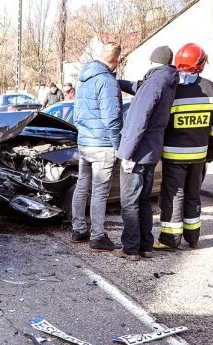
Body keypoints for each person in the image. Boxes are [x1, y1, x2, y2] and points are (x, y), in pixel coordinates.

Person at [155, 43, 213, 250]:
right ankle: (193, 237)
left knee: (173, 195)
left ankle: (169, 238)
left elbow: (161, 122)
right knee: (193, 195)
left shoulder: (172, 88)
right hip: (199, 155)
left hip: (173, 155)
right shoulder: (212, 89)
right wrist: (210, 148)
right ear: (201, 64)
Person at [113, 46, 178, 261]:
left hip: (138, 152)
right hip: (151, 152)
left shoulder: (153, 83)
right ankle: (145, 246)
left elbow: (137, 122)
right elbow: (138, 87)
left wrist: (127, 154)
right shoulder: (166, 81)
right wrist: (118, 82)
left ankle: (130, 249)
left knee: (129, 202)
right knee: (142, 202)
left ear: (152, 61)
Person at [71, 42, 123, 252]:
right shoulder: (107, 81)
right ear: (117, 60)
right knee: (100, 192)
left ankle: (78, 229)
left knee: (82, 186)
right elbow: (112, 118)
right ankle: (98, 236)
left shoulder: (83, 78)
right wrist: (119, 146)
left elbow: (77, 112)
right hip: (102, 144)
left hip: (85, 142)